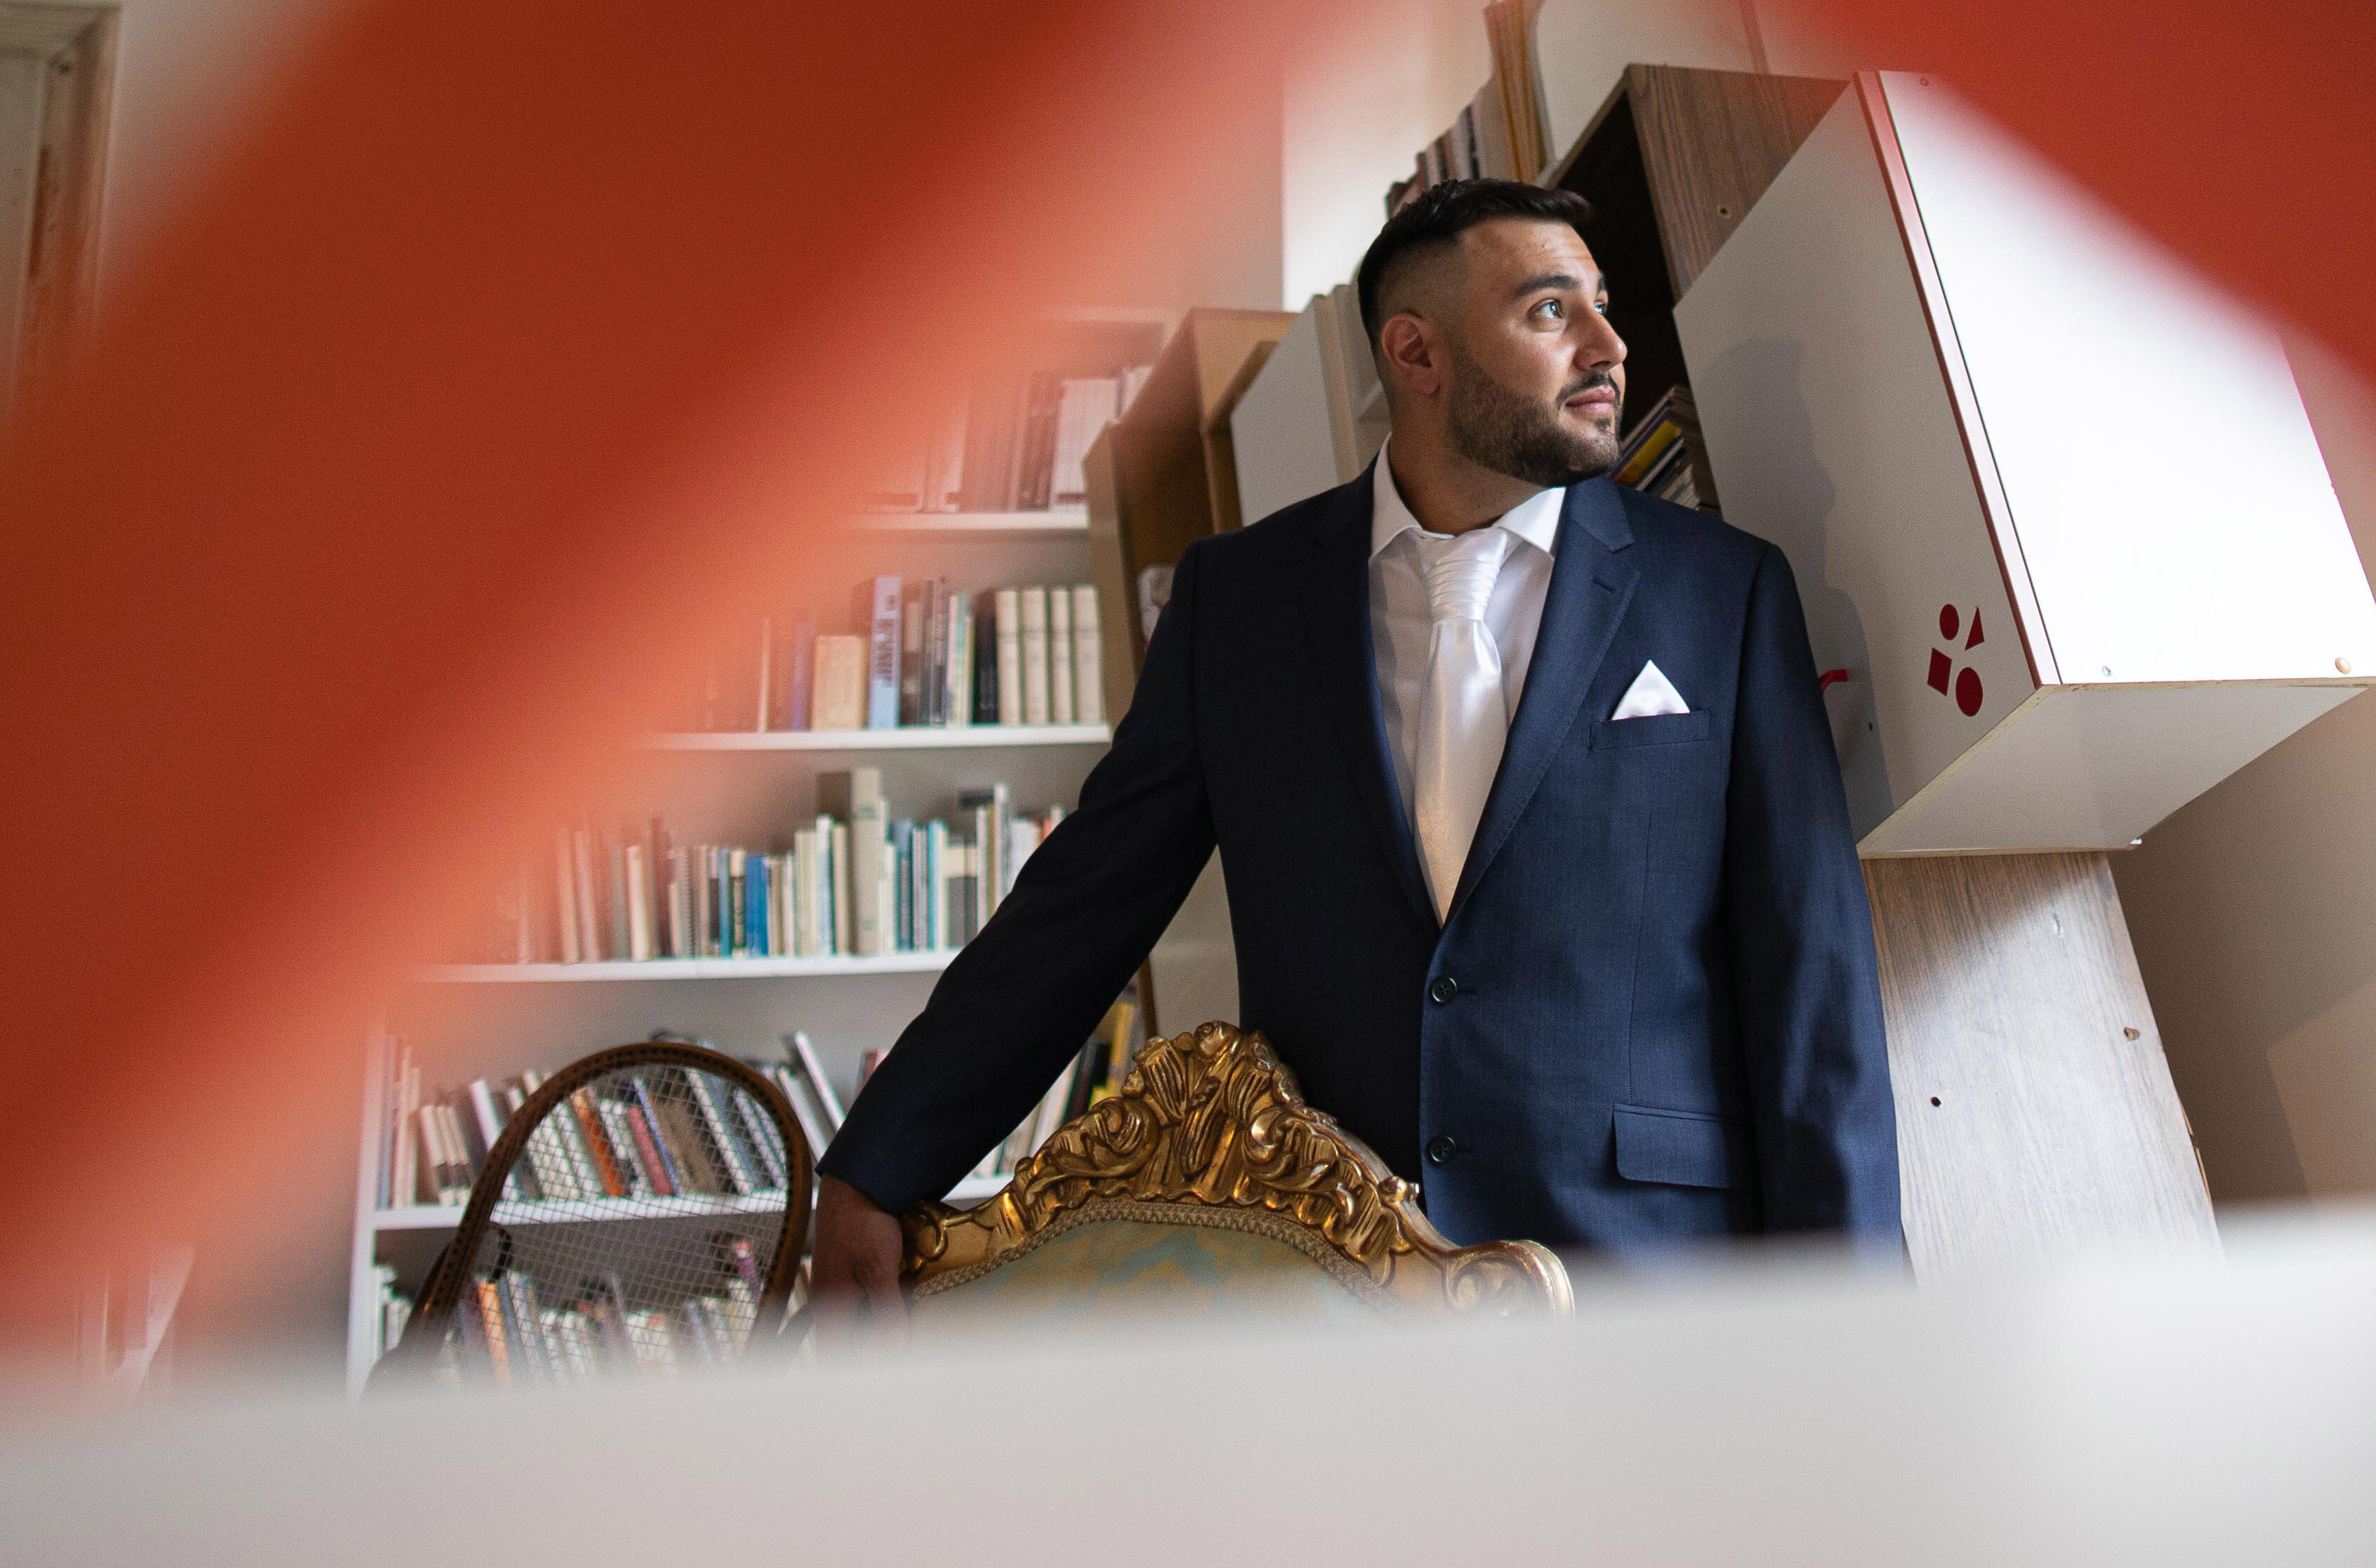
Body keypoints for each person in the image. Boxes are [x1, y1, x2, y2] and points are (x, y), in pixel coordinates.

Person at [811, 177, 1902, 1300]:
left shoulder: (1724, 594)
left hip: (1649, 1284)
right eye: (1548, 310)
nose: (1607, 346)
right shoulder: (1239, 604)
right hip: (1334, 1285)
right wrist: (876, 1165)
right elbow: (1080, 908)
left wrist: (1859, 1324)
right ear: (1416, 354)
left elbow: (1810, 983)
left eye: (1601, 305)